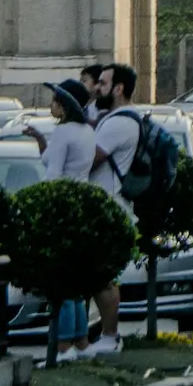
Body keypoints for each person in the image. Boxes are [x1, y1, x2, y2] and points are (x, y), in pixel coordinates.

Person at [42, 79, 123, 357]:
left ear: (64, 107)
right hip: (81, 206)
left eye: (55, 101)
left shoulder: (64, 133)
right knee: (76, 284)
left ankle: (63, 346)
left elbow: (54, 176)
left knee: (62, 282)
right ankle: (80, 341)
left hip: (62, 209)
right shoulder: (87, 131)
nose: (50, 105)